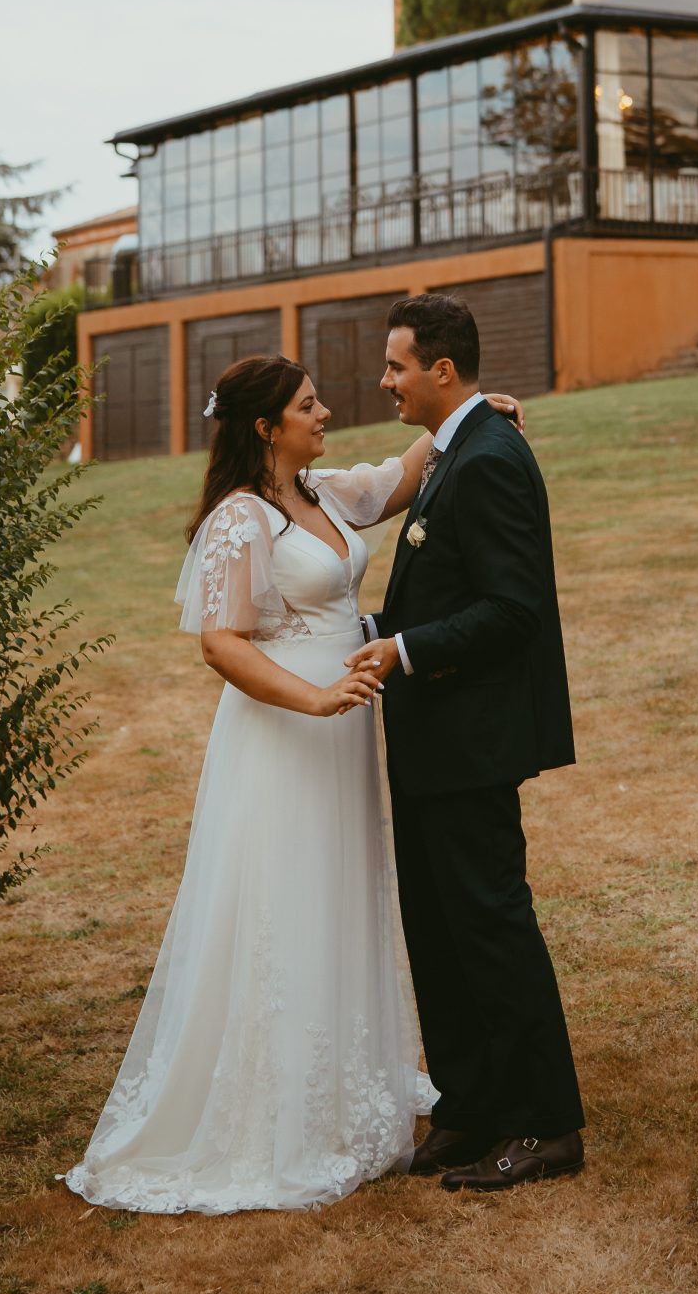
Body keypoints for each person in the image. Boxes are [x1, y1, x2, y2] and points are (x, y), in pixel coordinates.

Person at [62, 351, 523, 1216]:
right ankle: (273, 1113)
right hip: (284, 732)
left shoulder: (319, 493)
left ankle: (341, 1085)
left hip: (344, 730)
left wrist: (470, 412)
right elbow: (222, 643)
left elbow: (394, 478)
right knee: (283, 899)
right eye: (307, 408)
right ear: (265, 427)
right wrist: (313, 699)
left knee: (339, 892)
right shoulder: (241, 520)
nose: (325, 415)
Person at [348, 292, 584, 1191]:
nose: (385, 381)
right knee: (438, 932)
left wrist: (402, 650)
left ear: (441, 371)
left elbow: (510, 610)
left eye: (397, 366)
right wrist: (375, 625)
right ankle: (469, 1108)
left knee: (489, 929)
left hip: (470, 740)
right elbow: (443, 587)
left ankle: (546, 1124)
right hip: (431, 738)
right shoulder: (457, 450)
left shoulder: (487, 458)